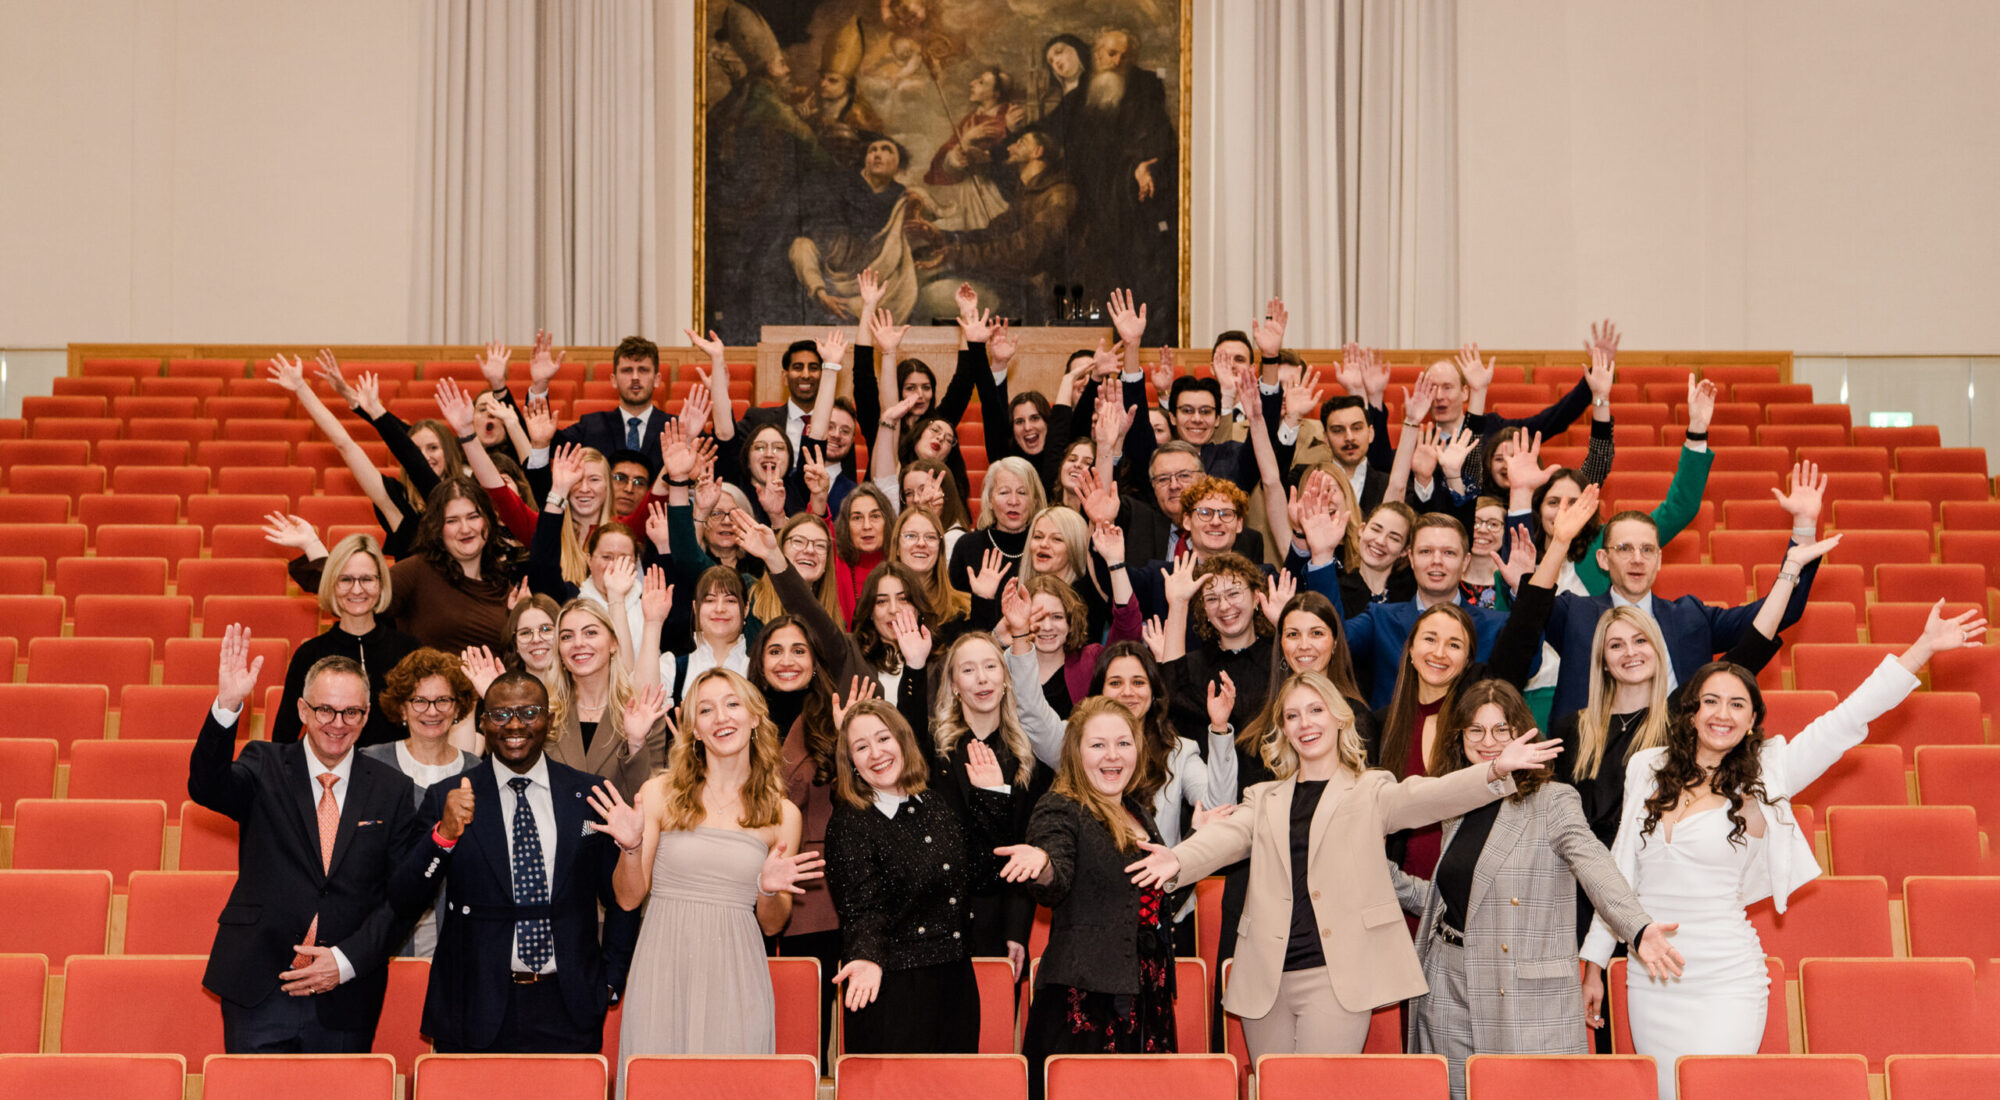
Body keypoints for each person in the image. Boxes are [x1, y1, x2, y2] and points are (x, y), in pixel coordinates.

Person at [1582, 601, 1986, 1100]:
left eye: (1737, 705)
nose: (1721, 714)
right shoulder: (1646, 766)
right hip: (1652, 977)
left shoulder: (1768, 774)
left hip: (1725, 977)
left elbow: (1845, 721)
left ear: (1752, 720)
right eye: (1710, 701)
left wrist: (1921, 649)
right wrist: (1597, 961)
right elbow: (1620, 867)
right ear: (1689, 713)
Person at [1125, 671, 1560, 1060]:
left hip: (1335, 978)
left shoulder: (1371, 789)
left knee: (1315, 1091)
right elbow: (1226, 836)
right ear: (1284, 730)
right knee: (1275, 1090)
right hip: (1267, 980)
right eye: (1293, 716)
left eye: (1315, 710)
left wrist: (1494, 771)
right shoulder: (1263, 797)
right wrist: (1178, 857)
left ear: (1338, 718)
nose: (1305, 723)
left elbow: (1431, 796)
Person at [1393, 679, 1681, 1099]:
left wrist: (1637, 928)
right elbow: (1455, 899)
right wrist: (1383, 876)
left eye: (1501, 729)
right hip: (1446, 980)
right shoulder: (1456, 804)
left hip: (1518, 989)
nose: (1488, 742)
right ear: (1460, 738)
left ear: (1523, 733)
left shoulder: (1553, 800)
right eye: (1475, 730)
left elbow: (1595, 864)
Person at [188, 627, 423, 1053]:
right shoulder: (264, 763)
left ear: (367, 714)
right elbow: (207, 786)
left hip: (345, 992)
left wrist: (346, 961)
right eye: (325, 710)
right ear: (302, 709)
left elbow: (402, 899)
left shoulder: (393, 789)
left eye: (351, 712)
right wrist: (227, 706)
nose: (337, 724)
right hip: (259, 983)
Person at [392, 671, 647, 1053]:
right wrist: (443, 836)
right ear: (482, 722)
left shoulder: (588, 794)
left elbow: (620, 899)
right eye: (500, 714)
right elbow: (405, 896)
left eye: (529, 712)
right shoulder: (448, 796)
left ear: (550, 719)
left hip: (569, 1003)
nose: (514, 725)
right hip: (472, 1005)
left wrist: (611, 978)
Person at [610, 668, 826, 1070]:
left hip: (737, 974)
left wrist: (765, 888)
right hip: (663, 968)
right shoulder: (658, 793)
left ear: (755, 717)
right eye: (706, 710)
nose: (721, 718)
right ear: (693, 729)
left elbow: (772, 925)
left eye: (732, 704)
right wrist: (631, 847)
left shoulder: (783, 814)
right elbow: (627, 897)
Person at [1542, 461, 1828, 725]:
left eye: (1647, 550)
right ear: (1603, 559)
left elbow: (1777, 615)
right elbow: (1529, 612)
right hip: (1590, 764)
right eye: (1624, 549)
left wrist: (1803, 529)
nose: (1637, 559)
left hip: (1676, 760)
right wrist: (1559, 541)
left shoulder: (1691, 616)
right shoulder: (1574, 612)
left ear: (1659, 560)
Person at [1000, 698, 1178, 1097]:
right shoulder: (1061, 807)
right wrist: (1042, 863)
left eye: (1123, 743)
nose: (1112, 756)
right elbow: (1056, 876)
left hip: (1146, 990)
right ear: (1077, 753)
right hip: (1087, 1000)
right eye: (1098, 745)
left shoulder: (1137, 810)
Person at [823, 699, 1015, 1053]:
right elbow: (862, 909)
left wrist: (991, 797)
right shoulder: (849, 822)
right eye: (861, 747)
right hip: (891, 987)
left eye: (884, 739)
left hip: (955, 983)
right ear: (850, 762)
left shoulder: (934, 804)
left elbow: (982, 877)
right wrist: (864, 956)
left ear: (903, 741)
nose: (876, 753)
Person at [361, 648, 480, 957]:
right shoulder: (370, 765)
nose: (432, 711)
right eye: (419, 701)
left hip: (460, 934)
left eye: (443, 700)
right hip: (382, 930)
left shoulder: (478, 772)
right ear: (402, 708)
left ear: (458, 708)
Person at [259, 527, 418, 749]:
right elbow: (283, 739)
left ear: (381, 584)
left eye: (367, 579)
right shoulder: (309, 655)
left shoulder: (410, 651)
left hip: (397, 778)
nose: (357, 589)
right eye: (346, 580)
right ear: (332, 584)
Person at [522, 333, 668, 469]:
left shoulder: (674, 429)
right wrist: (540, 384)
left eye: (643, 370)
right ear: (613, 380)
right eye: (627, 370)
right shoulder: (591, 425)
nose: (635, 377)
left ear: (657, 379)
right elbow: (550, 443)